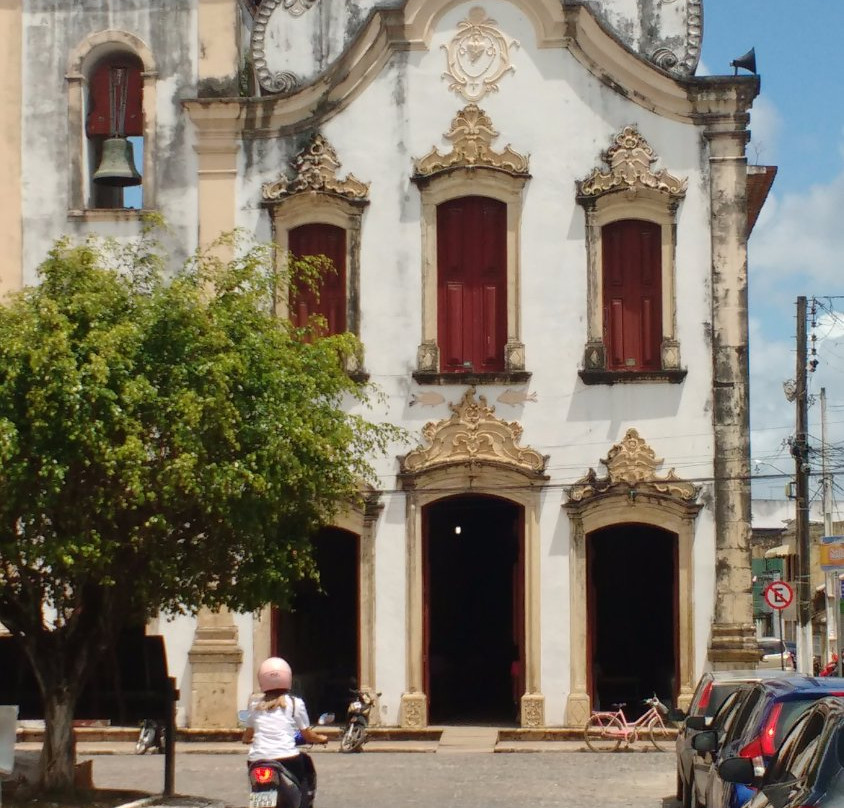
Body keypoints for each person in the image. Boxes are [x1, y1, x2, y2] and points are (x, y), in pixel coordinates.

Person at [242, 657, 328, 808]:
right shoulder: (295, 703)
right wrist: (321, 738)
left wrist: (251, 739)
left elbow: (247, 737)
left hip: (257, 760)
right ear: (287, 677)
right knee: (304, 776)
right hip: (287, 758)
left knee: (256, 787)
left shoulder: (255, 705)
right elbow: (307, 735)